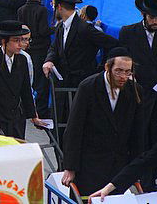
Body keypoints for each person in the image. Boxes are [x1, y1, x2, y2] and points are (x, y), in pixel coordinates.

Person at [61, 47, 146, 197]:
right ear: (108, 67)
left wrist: (135, 168)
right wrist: (70, 166)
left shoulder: (135, 91)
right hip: (89, 164)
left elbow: (137, 133)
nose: (123, 76)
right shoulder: (88, 87)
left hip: (118, 166)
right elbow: (74, 128)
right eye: (119, 71)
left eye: (128, 72)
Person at [118, 0, 157, 191]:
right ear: (144, 15)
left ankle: (149, 181)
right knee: (136, 137)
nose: (156, 21)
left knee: (156, 138)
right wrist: (128, 75)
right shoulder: (128, 32)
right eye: (153, 17)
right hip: (136, 93)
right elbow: (121, 58)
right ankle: (130, 179)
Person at [44, 0, 118, 133]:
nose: (52, 8)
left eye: (53, 4)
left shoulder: (84, 28)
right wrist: (49, 60)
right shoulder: (60, 27)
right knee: (58, 131)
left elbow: (112, 44)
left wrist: (101, 69)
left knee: (76, 130)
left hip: (80, 87)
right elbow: (55, 48)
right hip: (62, 88)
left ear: (59, 7)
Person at [0, 20, 42, 139]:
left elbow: (26, 90)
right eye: (16, 40)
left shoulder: (22, 60)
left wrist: (33, 116)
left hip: (15, 118)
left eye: (21, 40)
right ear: (4, 41)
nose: (20, 44)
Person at [17, 0, 53, 116]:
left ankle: (25, 106)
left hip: (26, 48)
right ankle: (40, 110)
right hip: (40, 49)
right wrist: (56, 28)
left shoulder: (21, 10)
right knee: (40, 81)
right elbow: (43, 30)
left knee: (26, 77)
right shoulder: (41, 10)